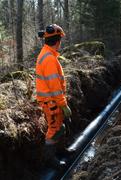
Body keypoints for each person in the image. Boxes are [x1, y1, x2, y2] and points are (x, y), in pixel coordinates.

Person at [36, 24, 73, 155]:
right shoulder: (49, 59)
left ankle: (61, 151)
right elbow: (55, 87)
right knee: (55, 129)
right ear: (58, 41)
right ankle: (50, 159)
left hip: (52, 100)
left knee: (59, 127)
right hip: (50, 101)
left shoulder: (47, 54)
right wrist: (64, 105)